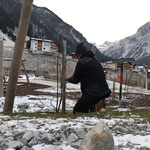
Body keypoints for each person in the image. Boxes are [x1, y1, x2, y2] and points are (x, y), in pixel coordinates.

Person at [66, 42, 111, 114]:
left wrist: (67, 78)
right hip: (104, 91)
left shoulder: (82, 62)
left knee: (77, 110)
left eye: (77, 55)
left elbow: (75, 80)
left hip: (92, 93)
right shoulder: (96, 60)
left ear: (80, 54)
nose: (76, 57)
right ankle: (98, 105)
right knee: (87, 107)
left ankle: (96, 106)